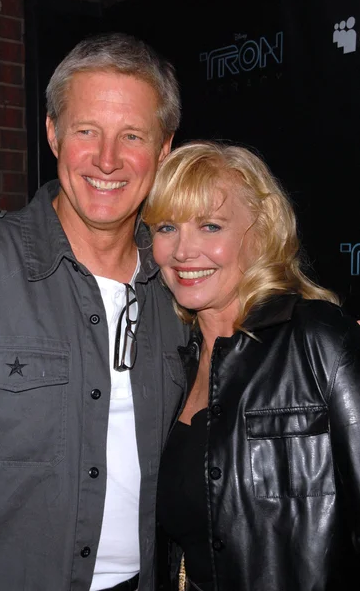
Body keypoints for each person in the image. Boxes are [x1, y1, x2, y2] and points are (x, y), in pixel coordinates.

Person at [0, 32, 189, 591]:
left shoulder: (182, 288)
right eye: (87, 131)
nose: (107, 159)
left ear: (163, 150)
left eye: (131, 135)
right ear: (53, 133)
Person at [142, 140, 360, 591]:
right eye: (166, 227)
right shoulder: (171, 360)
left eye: (210, 225)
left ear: (260, 234)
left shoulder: (317, 339)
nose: (183, 251)